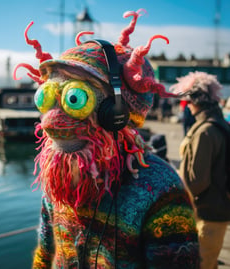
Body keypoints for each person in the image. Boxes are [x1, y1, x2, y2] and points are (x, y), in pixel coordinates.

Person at [14, 9, 200, 268]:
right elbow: (46, 253)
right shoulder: (56, 177)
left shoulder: (161, 189)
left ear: (117, 114)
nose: (49, 121)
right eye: (46, 97)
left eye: (75, 98)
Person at [170, 71, 230, 269]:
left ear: (195, 101)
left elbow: (197, 182)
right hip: (216, 211)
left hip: (206, 215)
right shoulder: (218, 125)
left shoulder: (205, 131)